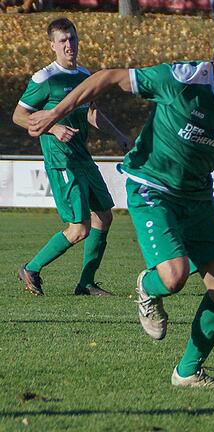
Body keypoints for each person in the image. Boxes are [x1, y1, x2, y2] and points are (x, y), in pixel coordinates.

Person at [28, 20, 214, 388]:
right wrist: (54, 114)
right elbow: (107, 77)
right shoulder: (182, 79)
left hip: (197, 197)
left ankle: (187, 372)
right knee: (172, 277)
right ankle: (147, 286)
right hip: (151, 186)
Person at [13, 18, 132, 297]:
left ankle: (86, 284)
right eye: (63, 40)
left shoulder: (84, 75)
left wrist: (119, 136)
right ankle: (31, 268)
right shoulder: (45, 79)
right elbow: (19, 115)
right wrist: (53, 127)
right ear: (52, 45)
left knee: (104, 216)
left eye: (72, 39)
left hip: (82, 156)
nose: (69, 45)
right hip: (61, 159)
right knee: (79, 228)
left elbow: (91, 112)